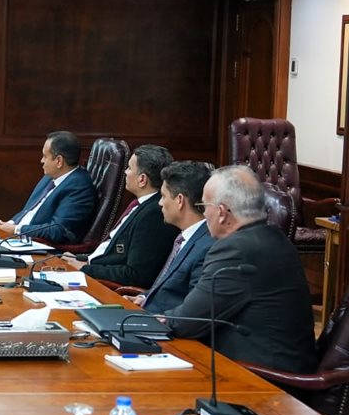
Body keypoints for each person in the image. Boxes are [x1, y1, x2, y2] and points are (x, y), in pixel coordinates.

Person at [160, 165, 317, 373]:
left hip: (261, 378)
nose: (203, 213)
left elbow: (188, 321)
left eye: (204, 206)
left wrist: (156, 320)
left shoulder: (235, 250)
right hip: (278, 365)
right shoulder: (274, 238)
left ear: (222, 212)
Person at [78, 145, 178, 287]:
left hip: (103, 284)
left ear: (142, 179)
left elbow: (135, 274)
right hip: (89, 265)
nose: (125, 171)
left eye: (130, 168)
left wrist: (85, 269)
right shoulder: (140, 204)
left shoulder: (154, 215)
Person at [132, 161, 215, 313]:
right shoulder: (185, 236)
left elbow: (194, 309)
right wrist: (144, 297)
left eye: (163, 196)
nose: (160, 203)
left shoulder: (207, 247)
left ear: (180, 200)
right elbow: (169, 288)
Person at [0, 131, 95, 245]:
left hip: (39, 247)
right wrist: (9, 224)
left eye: (45, 156)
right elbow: (28, 211)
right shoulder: (51, 176)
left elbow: (58, 231)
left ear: (59, 161)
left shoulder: (79, 187)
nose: (41, 161)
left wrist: (16, 230)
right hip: (17, 239)